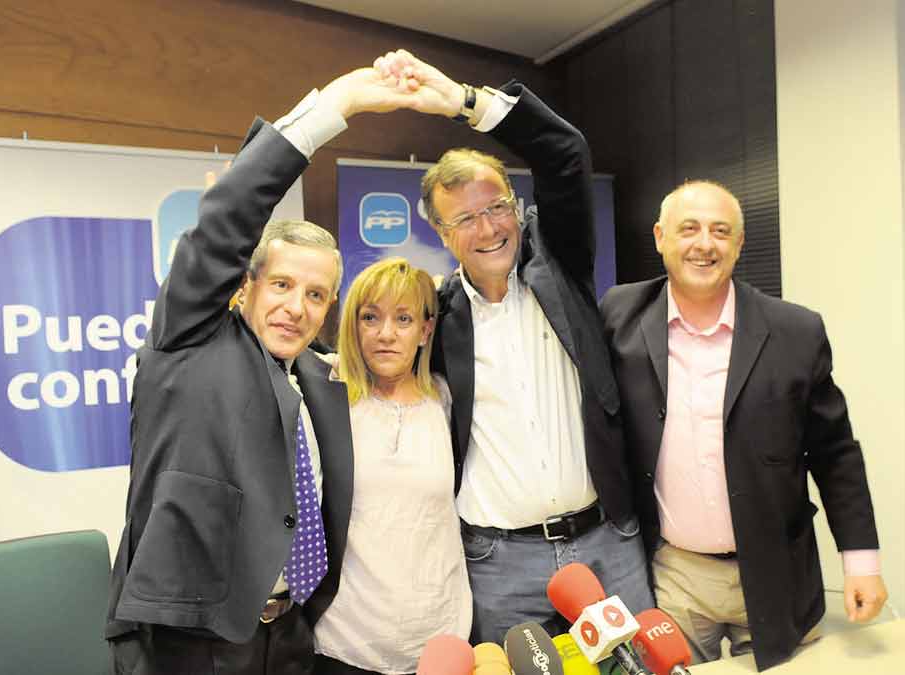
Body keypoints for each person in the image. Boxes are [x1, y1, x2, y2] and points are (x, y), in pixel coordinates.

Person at [105, 67, 421, 674]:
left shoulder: (320, 378)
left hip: (293, 635)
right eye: (281, 284)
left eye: (316, 294)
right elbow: (224, 223)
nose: (295, 307)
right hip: (192, 641)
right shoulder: (189, 341)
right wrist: (338, 105)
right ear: (244, 287)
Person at [373, 50, 653, 644]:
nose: (489, 228)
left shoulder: (563, 271)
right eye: (466, 219)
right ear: (443, 235)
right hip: (499, 563)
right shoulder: (437, 320)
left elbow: (566, 152)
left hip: (608, 544)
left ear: (518, 210)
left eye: (498, 207)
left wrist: (462, 102)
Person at [599, 181, 889, 671]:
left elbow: (835, 452)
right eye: (688, 229)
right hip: (674, 575)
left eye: (720, 231)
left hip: (778, 568)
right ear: (659, 237)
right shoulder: (619, 316)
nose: (704, 244)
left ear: (738, 243)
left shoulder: (796, 331)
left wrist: (861, 561)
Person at [312, 257, 470, 675]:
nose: (385, 334)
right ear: (353, 325)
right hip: (345, 641)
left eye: (403, 318)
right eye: (370, 317)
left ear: (425, 330)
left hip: (441, 639)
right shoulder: (326, 391)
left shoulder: (448, 399)